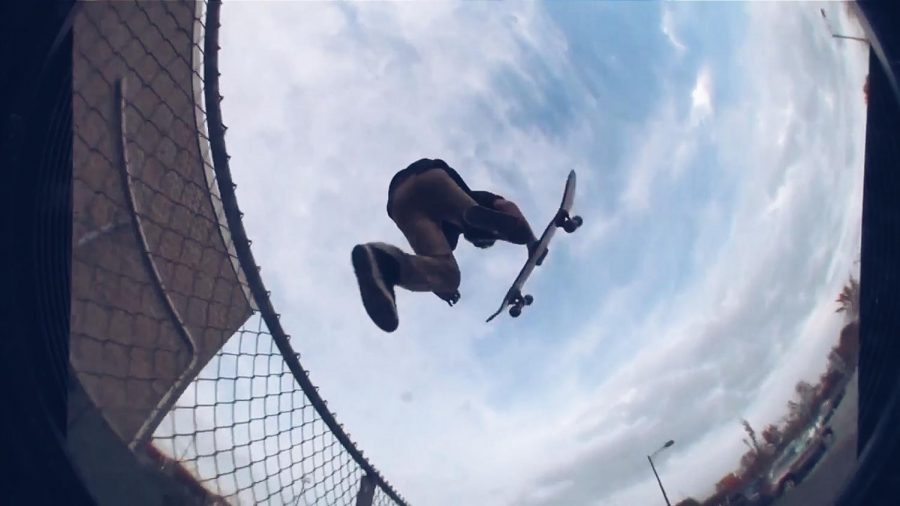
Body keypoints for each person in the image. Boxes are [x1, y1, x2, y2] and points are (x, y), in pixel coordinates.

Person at [352, 158, 539, 332]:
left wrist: (446, 291)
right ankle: (475, 224)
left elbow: (430, 273)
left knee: (448, 275)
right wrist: (532, 243)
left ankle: (384, 263)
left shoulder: (446, 240)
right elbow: (506, 205)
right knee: (487, 222)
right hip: (434, 181)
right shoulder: (478, 197)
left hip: (399, 202)